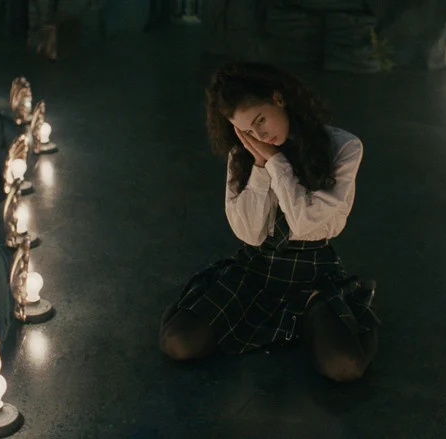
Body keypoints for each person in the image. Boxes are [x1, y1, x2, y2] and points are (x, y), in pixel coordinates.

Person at [158, 62, 380, 382]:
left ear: (279, 98)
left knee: (345, 367)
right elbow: (249, 234)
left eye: (260, 120)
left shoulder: (344, 146)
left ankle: (332, 314)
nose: (260, 136)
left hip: (312, 274)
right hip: (256, 269)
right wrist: (259, 168)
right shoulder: (243, 154)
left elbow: (306, 224)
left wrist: (276, 162)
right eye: (248, 131)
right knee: (178, 343)